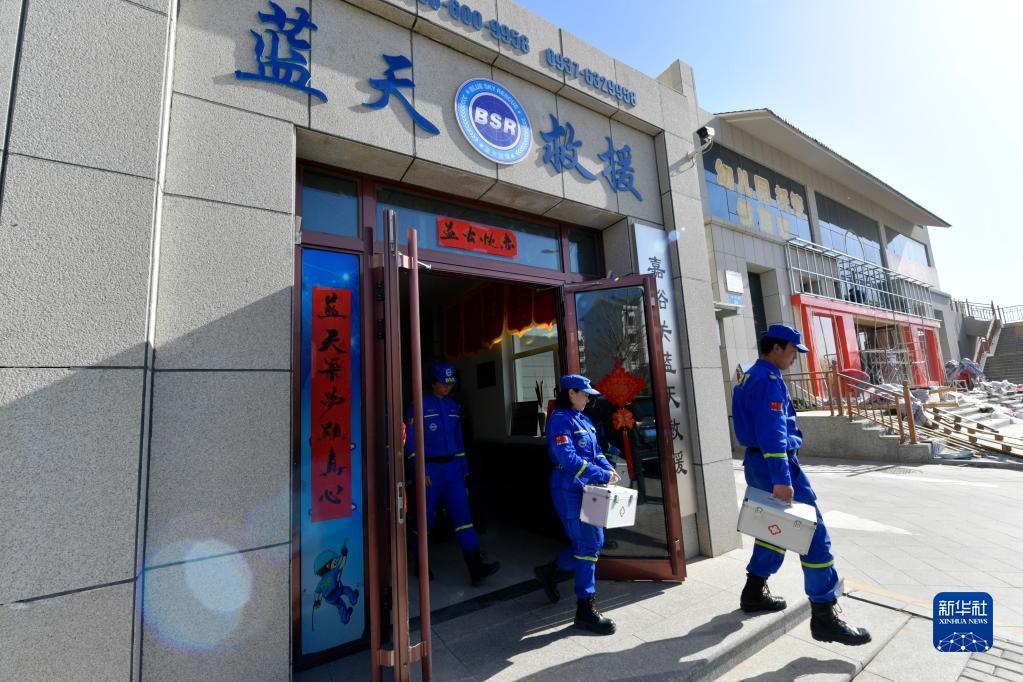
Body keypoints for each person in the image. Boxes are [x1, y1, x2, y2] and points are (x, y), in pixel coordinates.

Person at [733, 324, 871, 646]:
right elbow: (773, 433)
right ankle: (824, 615)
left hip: (757, 462)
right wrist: (782, 478)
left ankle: (754, 591)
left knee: (773, 529)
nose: (795, 357)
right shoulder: (768, 381)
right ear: (776, 348)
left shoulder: (750, 376)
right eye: (793, 350)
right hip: (776, 464)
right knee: (814, 537)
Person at [534, 374, 621, 635]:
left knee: (590, 542)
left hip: (590, 487)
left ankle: (550, 572)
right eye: (585, 394)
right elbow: (567, 458)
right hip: (569, 488)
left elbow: (597, 452)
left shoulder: (583, 418)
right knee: (589, 544)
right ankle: (585, 609)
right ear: (571, 393)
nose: (588, 399)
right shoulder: (560, 420)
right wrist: (600, 473)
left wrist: (608, 469)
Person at [405, 362, 499, 586]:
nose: (447, 387)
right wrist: (419, 469)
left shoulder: (453, 406)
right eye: (443, 384)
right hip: (429, 470)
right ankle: (420, 564)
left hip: (453, 470)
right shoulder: (418, 405)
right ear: (433, 383)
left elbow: (458, 441)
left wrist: (463, 468)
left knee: (463, 516)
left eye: (450, 384)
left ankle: (476, 567)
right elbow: (410, 442)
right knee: (425, 520)